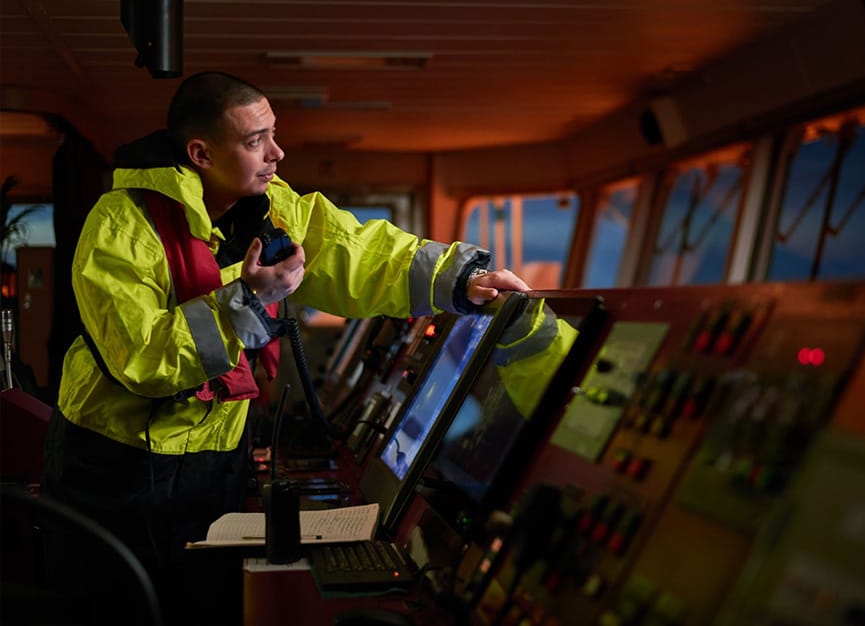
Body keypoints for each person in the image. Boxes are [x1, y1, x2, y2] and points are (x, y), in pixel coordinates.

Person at [39, 71, 534, 623]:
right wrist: (248, 301)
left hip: (215, 461)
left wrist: (460, 280)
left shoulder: (272, 207)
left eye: (273, 134)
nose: (277, 152)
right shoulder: (121, 225)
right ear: (201, 154)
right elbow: (143, 359)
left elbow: (356, 251)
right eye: (256, 140)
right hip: (118, 466)